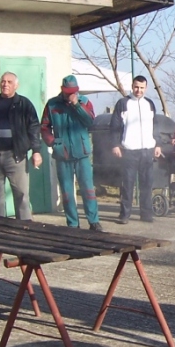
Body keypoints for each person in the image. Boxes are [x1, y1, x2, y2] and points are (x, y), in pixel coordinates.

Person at [0, 71, 43, 220]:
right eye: (3, 81)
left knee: (21, 195)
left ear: (16, 85)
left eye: (9, 82)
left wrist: (36, 151)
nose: (5, 84)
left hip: (15, 155)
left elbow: (33, 127)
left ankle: (24, 228)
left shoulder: (23, 104)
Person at [41, 75, 103, 231]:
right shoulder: (52, 104)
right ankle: (73, 224)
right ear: (62, 90)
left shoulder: (85, 102)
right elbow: (44, 127)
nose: (70, 95)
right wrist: (53, 143)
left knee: (88, 189)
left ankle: (93, 221)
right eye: (68, 92)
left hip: (82, 152)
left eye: (73, 92)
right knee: (67, 192)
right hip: (62, 154)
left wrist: (76, 105)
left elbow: (90, 122)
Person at [110, 75, 161, 224]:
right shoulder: (123, 103)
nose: (139, 90)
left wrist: (157, 144)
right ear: (132, 86)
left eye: (142, 88)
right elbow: (114, 126)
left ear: (146, 88)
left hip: (147, 150)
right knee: (128, 184)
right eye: (136, 87)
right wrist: (115, 145)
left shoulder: (150, 104)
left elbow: (155, 125)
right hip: (129, 150)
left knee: (147, 184)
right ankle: (124, 215)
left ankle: (146, 214)